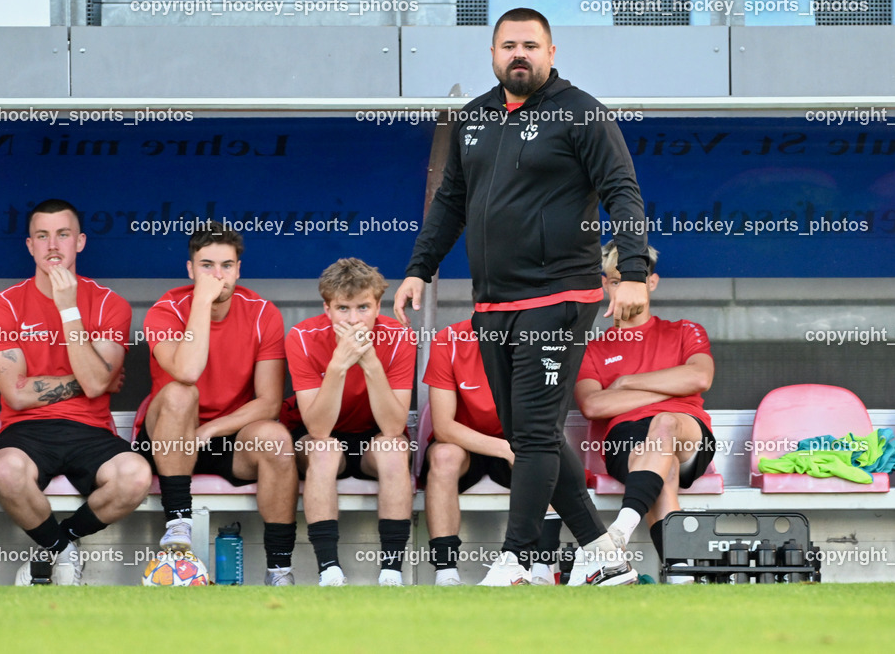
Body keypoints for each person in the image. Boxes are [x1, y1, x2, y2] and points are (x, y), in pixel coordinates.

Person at [394, 7, 649, 585]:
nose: (520, 54)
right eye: (509, 45)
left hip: (560, 294)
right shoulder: (473, 118)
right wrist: (419, 269)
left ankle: (517, 559)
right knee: (528, 434)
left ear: (551, 53)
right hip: (493, 303)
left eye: (531, 45)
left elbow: (622, 192)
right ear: (492, 54)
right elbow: (451, 204)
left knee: (532, 433)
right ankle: (602, 555)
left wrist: (631, 270)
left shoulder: (582, 114)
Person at [0, 199, 151, 585]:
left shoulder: (111, 304)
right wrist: (97, 378)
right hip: (26, 430)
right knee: (5, 470)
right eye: (42, 236)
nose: (52, 245)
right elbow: (19, 395)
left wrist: (69, 310)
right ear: (30, 245)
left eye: (63, 234)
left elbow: (95, 385)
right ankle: (64, 553)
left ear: (81, 242)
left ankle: (58, 544)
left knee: (136, 476)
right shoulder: (2, 306)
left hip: (90, 429)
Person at [137, 222, 298, 586]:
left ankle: (280, 570)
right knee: (181, 392)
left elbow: (270, 402)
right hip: (170, 435)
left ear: (239, 270)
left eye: (226, 266)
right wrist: (201, 302)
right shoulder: (165, 310)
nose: (217, 275)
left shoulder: (263, 313)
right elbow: (187, 371)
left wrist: (210, 430)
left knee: (276, 439)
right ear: (190, 269)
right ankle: (178, 526)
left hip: (229, 435)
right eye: (207, 265)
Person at [575, 243, 715, 577]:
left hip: (687, 432)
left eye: (631, 280)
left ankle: (620, 530)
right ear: (606, 285)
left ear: (651, 282)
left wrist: (625, 383)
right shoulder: (593, 347)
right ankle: (681, 575)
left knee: (664, 424)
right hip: (627, 440)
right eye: (614, 280)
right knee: (661, 468)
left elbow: (700, 376)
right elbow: (593, 405)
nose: (622, 288)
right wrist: (666, 387)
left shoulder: (684, 330)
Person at [284, 258, 415, 586]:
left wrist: (370, 363)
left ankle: (391, 572)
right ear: (327, 309)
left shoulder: (399, 336)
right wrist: (339, 365)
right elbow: (318, 429)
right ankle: (329, 570)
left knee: (393, 449)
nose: (354, 320)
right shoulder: (302, 336)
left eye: (363, 308)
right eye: (343, 308)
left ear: (378, 306)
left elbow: (393, 426)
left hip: (375, 433)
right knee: (324, 449)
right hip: (323, 433)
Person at [422, 317, 563, 586]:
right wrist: (502, 448)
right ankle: (446, 571)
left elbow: (543, 420)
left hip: (518, 439)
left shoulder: (538, 338)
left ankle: (543, 566)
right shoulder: (449, 339)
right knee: (443, 456)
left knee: (545, 452)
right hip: (465, 444)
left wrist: (515, 449)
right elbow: (443, 426)